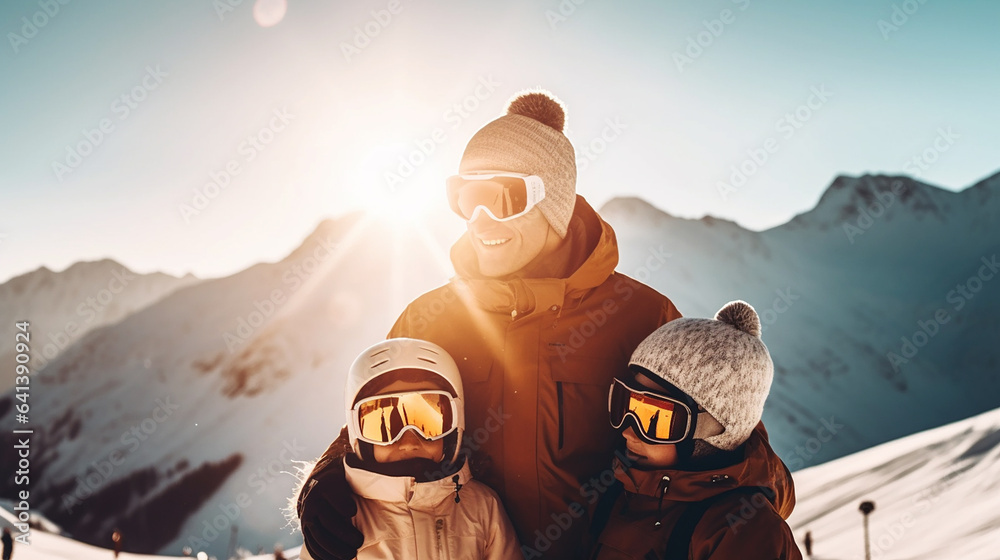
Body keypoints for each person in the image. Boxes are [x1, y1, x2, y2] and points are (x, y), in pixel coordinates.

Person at [297, 90, 682, 559]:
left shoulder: (641, 317)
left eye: (502, 197)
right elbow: (374, 420)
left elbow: (731, 454)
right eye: (465, 197)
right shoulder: (429, 320)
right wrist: (328, 474)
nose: (479, 219)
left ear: (554, 203)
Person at [589, 301, 801, 559]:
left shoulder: (741, 531)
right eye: (625, 403)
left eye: (655, 418)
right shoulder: (617, 490)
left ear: (713, 437)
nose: (628, 432)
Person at [300, 338, 521, 560]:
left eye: (427, 420)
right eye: (383, 424)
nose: (408, 441)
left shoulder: (482, 508)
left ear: (454, 425)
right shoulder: (339, 519)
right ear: (359, 435)